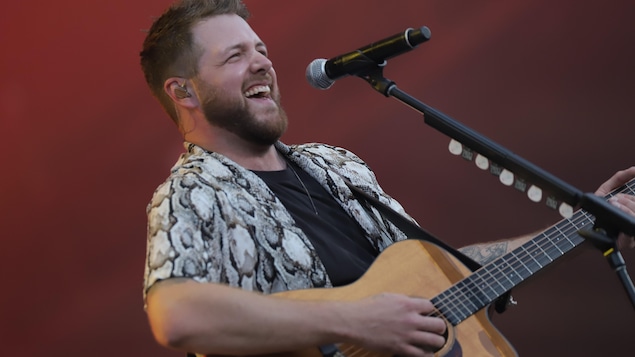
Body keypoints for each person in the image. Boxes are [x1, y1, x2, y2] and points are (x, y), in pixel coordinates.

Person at [139, 0, 635, 356]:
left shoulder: (337, 166)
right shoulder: (193, 193)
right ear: (184, 92)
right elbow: (178, 315)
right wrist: (359, 321)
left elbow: (443, 277)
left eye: (261, 49)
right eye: (235, 56)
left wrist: (585, 224)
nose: (263, 62)